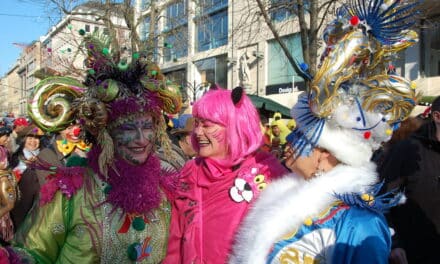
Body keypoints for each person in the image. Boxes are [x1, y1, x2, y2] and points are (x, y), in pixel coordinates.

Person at [230, 1, 419, 263]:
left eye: (301, 136)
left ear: (326, 154)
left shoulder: (357, 223)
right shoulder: (282, 197)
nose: (288, 139)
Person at [0, 34, 182, 263]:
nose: (141, 139)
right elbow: (33, 253)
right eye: (127, 127)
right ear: (105, 133)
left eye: (147, 126)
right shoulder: (70, 193)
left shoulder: (165, 192)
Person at [164, 87, 288, 263]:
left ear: (235, 126)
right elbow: (176, 237)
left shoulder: (267, 172)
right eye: (197, 123)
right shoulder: (190, 170)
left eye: (206, 125)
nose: (198, 132)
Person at [379, 95, 440, 264]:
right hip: (415, 254)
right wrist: (394, 243)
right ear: (437, 117)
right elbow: (380, 199)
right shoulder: (406, 150)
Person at [9, 125, 44, 229]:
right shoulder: (15, 158)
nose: (33, 141)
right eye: (30, 138)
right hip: (21, 204)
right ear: (24, 139)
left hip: (41, 204)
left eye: (36, 138)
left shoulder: (45, 155)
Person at [0, 126, 16, 242]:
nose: (7, 139)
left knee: (9, 206)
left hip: (6, 180)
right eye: (5, 136)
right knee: (8, 205)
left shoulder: (4, 150)